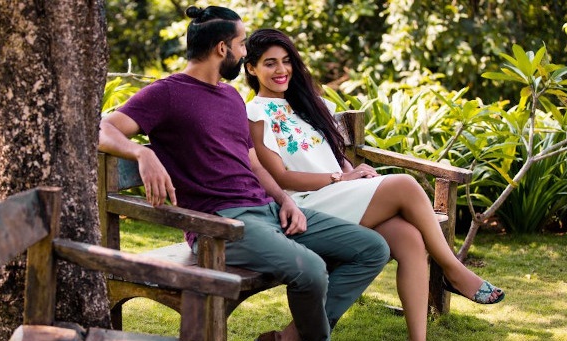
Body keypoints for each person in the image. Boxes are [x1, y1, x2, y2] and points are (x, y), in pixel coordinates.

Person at [99, 6, 390, 341]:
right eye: (240, 45)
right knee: (310, 270)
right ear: (222, 48)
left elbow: (251, 161)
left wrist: (284, 201)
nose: (242, 53)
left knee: (371, 248)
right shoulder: (168, 92)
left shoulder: (231, 97)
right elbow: (104, 127)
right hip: (222, 225)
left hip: (266, 211)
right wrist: (140, 153)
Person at [243, 28, 505, 341]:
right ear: (251, 68)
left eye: (286, 61)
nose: (281, 70)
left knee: (410, 240)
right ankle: (453, 269)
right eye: (270, 63)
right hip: (305, 206)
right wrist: (341, 178)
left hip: (338, 192)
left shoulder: (313, 106)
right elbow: (281, 177)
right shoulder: (255, 113)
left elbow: (335, 158)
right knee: (406, 184)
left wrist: (353, 172)